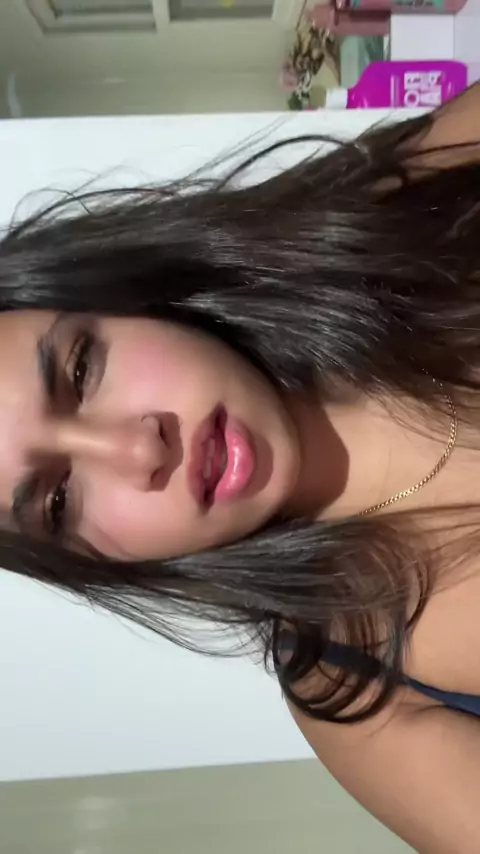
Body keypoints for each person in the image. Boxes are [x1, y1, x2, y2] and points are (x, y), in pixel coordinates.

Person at [2, 84, 480, 853]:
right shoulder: (360, 692)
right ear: (88, 562)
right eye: (59, 499)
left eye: (82, 371)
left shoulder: (414, 206)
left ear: (128, 300)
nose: (140, 450)